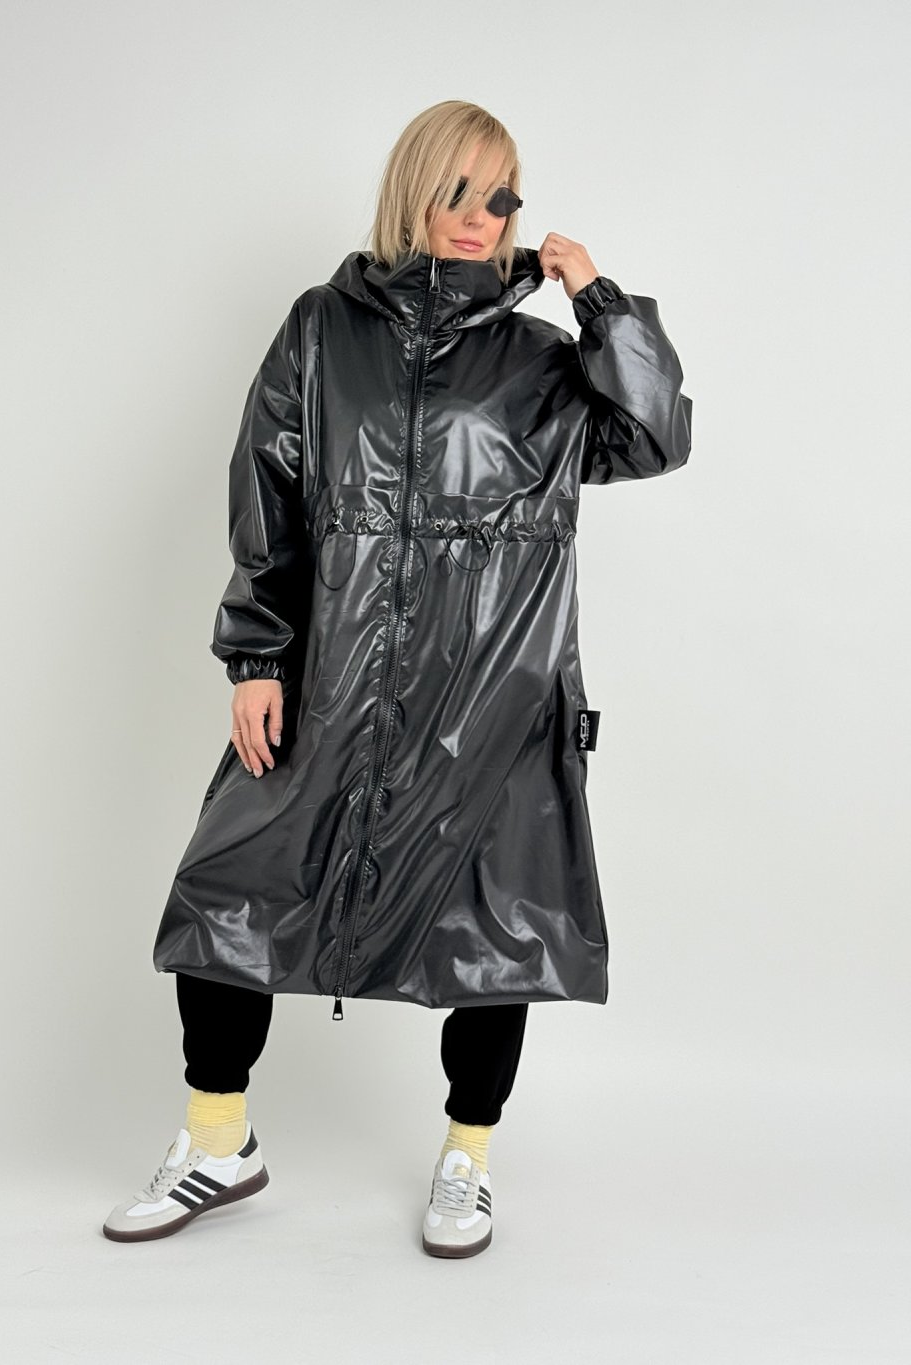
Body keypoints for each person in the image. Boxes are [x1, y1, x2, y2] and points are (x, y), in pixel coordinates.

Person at [103, 100, 692, 1258]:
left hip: (493, 693)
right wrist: (257, 657)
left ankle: (468, 1158)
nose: (482, 217)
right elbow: (269, 491)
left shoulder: (542, 361)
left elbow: (656, 436)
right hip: (334, 683)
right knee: (229, 890)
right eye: (458, 190)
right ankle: (218, 1141)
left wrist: (599, 303)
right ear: (412, 190)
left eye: (503, 197)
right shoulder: (322, 329)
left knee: (496, 925)